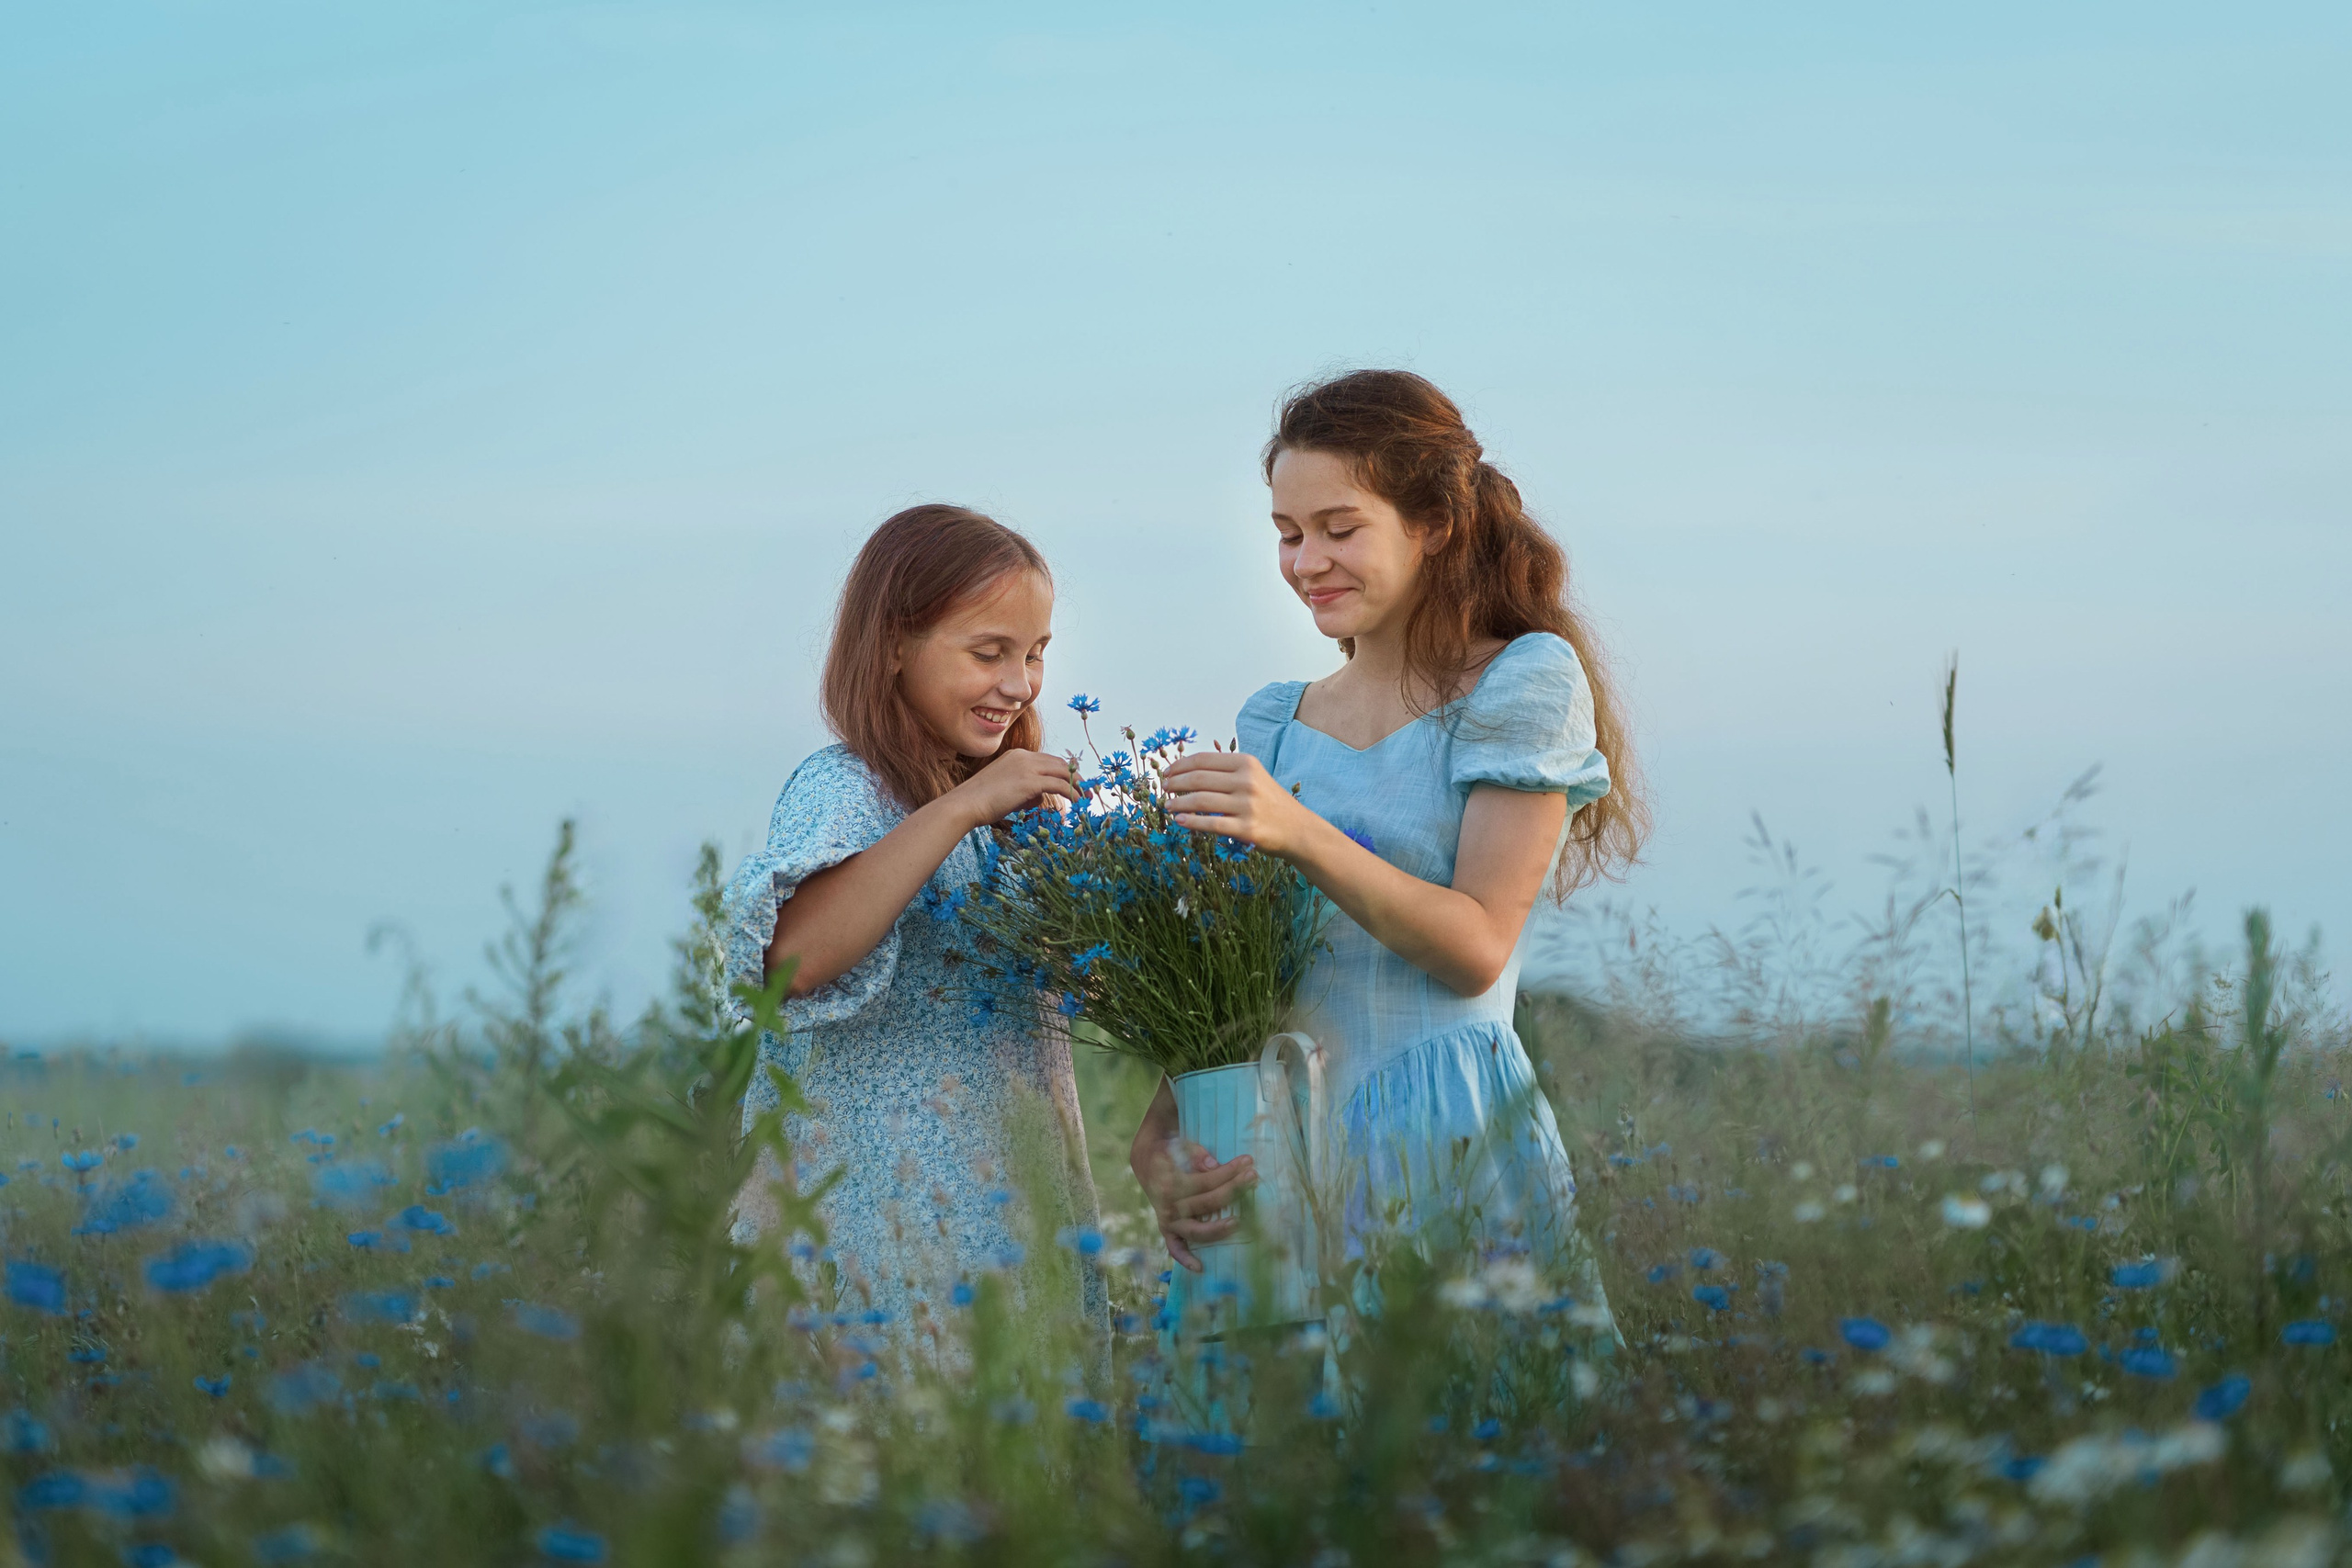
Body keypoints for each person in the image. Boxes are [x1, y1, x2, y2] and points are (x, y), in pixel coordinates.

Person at [1134, 370, 1647, 1327]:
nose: (1305, 561)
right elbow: (1242, 975)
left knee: (1452, 1453)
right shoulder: (1276, 723)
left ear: (1434, 526)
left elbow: (1475, 946)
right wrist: (1163, 1137)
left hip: (1443, 1127)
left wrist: (1295, 830)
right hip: (1276, 1136)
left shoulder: (1521, 682)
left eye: (1339, 528)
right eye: (1287, 534)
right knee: (1272, 1457)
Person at [722, 503, 1107, 1345]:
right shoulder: (847, 788)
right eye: (989, 652)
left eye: (1036, 653)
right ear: (895, 646)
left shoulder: (1015, 814)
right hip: (870, 1225)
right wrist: (962, 806)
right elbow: (794, 958)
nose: (1020, 684)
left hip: (1009, 1210)